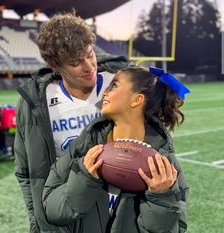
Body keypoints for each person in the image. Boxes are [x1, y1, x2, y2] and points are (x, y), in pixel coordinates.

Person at [14, 13, 133, 233]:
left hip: (123, 213)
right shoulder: (35, 103)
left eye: (90, 55)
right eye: (75, 63)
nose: (89, 66)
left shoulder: (123, 84)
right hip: (69, 215)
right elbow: (25, 172)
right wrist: (38, 222)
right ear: (54, 66)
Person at [42, 66, 190, 233]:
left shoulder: (164, 165)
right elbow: (52, 209)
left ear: (136, 100)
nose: (104, 92)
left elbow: (174, 229)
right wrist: (84, 178)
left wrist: (161, 197)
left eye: (114, 85)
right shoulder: (86, 145)